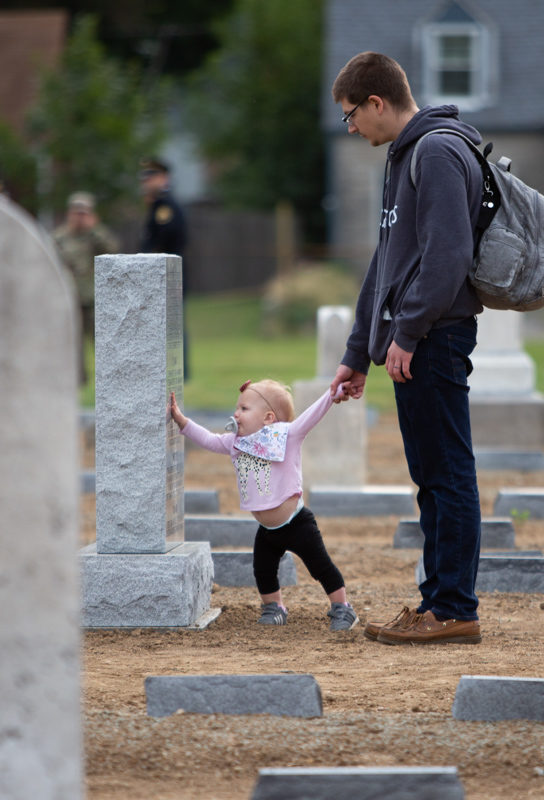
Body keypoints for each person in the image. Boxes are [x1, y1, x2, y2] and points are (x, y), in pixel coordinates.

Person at [329, 51, 484, 646]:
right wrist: (357, 350)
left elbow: (447, 257)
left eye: (351, 116)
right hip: (412, 340)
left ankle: (453, 609)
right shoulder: (405, 155)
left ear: (376, 102)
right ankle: (437, 603)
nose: (351, 129)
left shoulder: (437, 151)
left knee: (447, 473)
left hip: (435, 339)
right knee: (431, 475)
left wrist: (409, 333)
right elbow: (387, 264)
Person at [169, 381, 358, 631]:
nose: (236, 413)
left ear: (268, 417)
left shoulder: (288, 435)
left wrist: (332, 395)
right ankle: (275, 607)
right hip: (267, 531)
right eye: (237, 407)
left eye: (245, 408)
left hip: (298, 523)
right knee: (263, 570)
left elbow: (312, 415)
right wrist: (182, 422)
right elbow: (209, 439)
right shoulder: (236, 442)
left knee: (320, 566)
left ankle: (342, 607)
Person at [53, 191, 120, 384]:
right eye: (76, 212)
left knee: (103, 342)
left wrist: (95, 229)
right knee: (73, 344)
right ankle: (77, 380)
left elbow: (114, 252)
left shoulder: (97, 236)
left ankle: (109, 379)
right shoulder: (60, 238)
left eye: (84, 213)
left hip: (95, 298)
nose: (80, 217)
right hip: (70, 298)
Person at [140, 158, 190, 378]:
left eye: (151, 177)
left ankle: (180, 370)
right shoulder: (157, 204)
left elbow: (164, 240)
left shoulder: (165, 206)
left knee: (172, 324)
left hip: (165, 273)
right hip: (161, 273)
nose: (147, 182)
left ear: (163, 178)